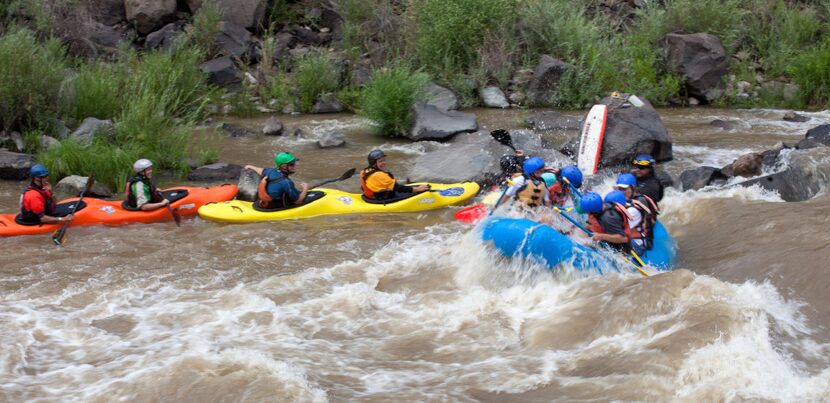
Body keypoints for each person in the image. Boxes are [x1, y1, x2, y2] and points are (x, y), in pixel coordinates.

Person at [615, 173, 658, 255]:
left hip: (639, 242)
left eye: (624, 189)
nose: (621, 192)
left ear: (632, 188)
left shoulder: (635, 208)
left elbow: (619, 230)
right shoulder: (632, 200)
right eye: (620, 189)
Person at [360, 149, 429, 200]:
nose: (383, 163)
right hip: (381, 199)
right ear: (374, 163)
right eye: (380, 161)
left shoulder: (365, 171)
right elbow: (398, 188)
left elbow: (363, 187)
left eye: (384, 160)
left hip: (370, 197)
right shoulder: (378, 175)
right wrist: (418, 189)